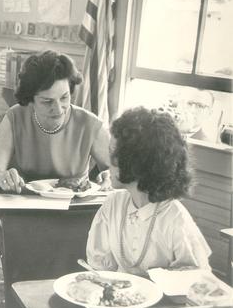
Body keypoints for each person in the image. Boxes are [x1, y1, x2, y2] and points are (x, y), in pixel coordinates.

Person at [86, 107, 211, 275]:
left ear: (137, 163)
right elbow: (99, 268)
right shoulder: (112, 205)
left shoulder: (175, 219)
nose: (108, 161)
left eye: (112, 153)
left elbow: (197, 280)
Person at [0, 50, 111, 193]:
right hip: (26, 204)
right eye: (47, 102)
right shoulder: (15, 117)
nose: (58, 110)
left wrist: (110, 176)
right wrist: (2, 177)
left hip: (75, 208)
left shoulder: (90, 124)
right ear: (31, 100)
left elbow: (116, 172)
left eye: (64, 98)